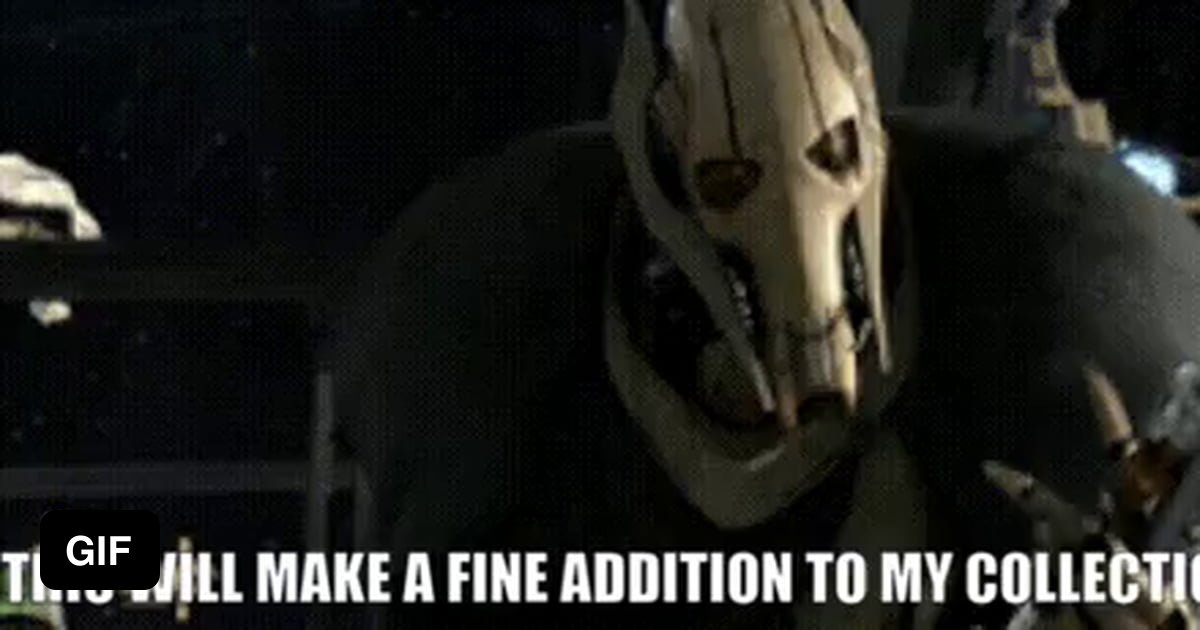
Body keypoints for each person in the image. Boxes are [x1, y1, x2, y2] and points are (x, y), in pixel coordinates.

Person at [331, 0, 1200, 627]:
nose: (792, 215)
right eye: (730, 183)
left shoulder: (1050, 303)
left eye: (831, 158)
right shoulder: (505, 366)